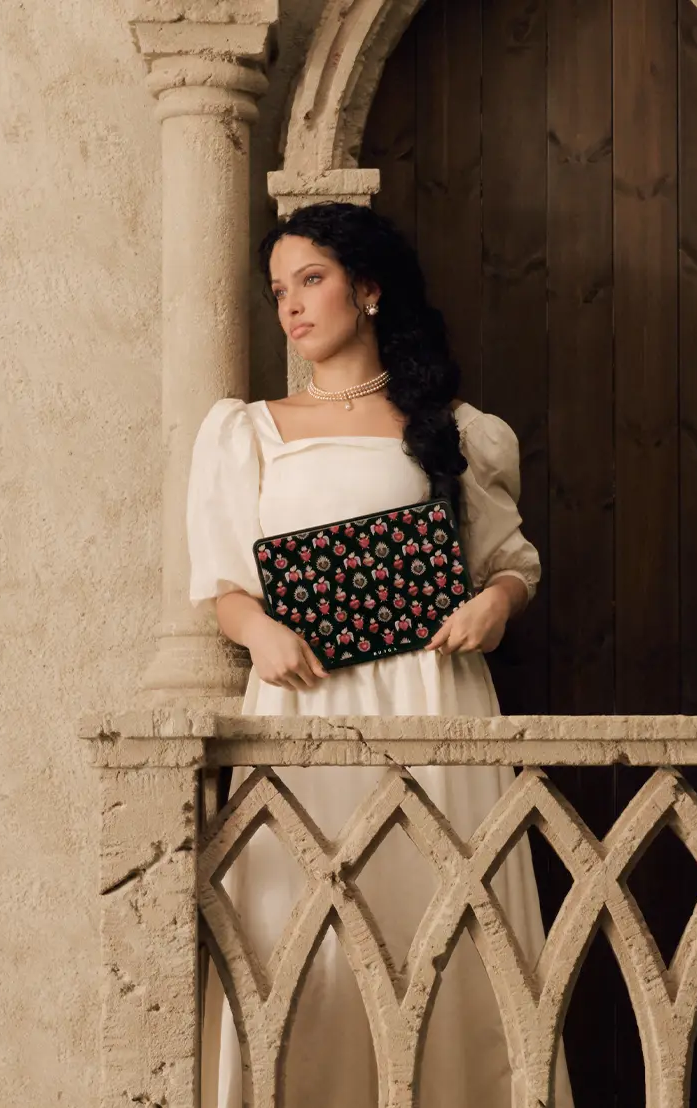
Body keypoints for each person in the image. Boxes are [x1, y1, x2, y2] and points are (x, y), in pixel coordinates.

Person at [184, 201, 571, 1106]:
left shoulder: (459, 429)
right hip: (305, 703)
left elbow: (514, 564)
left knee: (445, 926)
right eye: (279, 290)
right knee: (296, 937)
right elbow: (222, 585)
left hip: (432, 699)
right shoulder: (249, 431)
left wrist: (495, 609)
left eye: (310, 280)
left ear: (366, 288)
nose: (291, 306)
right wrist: (260, 631)